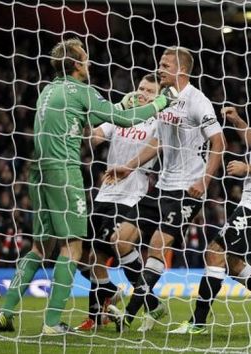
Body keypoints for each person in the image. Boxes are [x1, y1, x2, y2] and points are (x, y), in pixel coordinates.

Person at [0, 37, 173, 334]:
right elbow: (124, 120)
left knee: (39, 247)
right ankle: (52, 323)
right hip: (65, 173)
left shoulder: (48, 91)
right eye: (85, 59)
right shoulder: (82, 91)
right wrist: (161, 101)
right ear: (77, 64)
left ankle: (5, 311)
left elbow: (82, 126)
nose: (88, 64)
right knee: (73, 248)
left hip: (38, 172)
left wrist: (116, 105)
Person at [169, 66, 251, 335]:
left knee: (215, 252)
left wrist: (246, 169)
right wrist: (239, 122)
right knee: (232, 263)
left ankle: (197, 323)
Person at [104, 46, 225, 333]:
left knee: (158, 246)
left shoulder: (198, 101)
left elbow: (220, 144)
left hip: (188, 188)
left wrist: (204, 181)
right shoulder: (163, 100)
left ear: (181, 69)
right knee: (121, 239)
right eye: (159, 64)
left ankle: (129, 314)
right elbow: (157, 142)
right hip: (162, 185)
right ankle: (153, 304)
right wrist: (129, 166)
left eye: (165, 64)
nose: (160, 68)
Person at [75, 73, 162, 331]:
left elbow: (158, 148)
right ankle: (108, 299)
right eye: (140, 89)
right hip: (105, 194)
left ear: (158, 98)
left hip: (132, 196)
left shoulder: (157, 122)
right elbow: (93, 138)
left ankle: (137, 302)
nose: (142, 94)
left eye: (149, 91)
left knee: (115, 244)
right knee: (86, 256)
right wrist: (86, 116)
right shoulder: (120, 117)